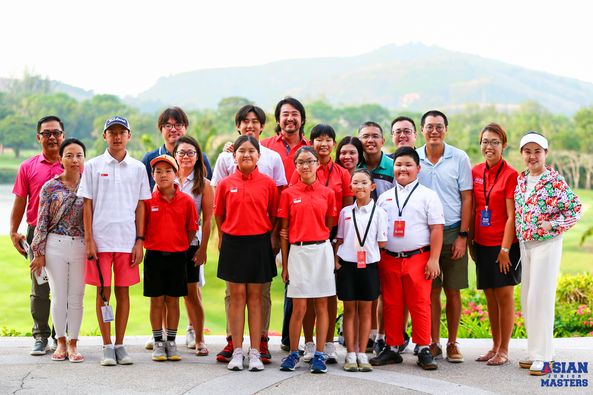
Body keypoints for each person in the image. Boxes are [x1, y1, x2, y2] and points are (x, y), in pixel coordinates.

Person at [212, 105, 286, 364]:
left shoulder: (267, 182)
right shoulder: (225, 183)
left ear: (259, 155)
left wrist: (273, 237)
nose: (246, 154)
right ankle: (237, 350)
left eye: (251, 151)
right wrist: (221, 236)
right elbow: (218, 213)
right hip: (233, 243)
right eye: (241, 150)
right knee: (236, 297)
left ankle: (256, 350)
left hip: (259, 242)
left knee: (256, 297)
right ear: (234, 155)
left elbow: (275, 212)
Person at [78, 116, 152, 366]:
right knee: (103, 293)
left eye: (122, 132)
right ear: (104, 136)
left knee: (123, 292)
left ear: (129, 136)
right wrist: (89, 240)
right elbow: (86, 205)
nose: (117, 136)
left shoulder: (138, 168)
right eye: (112, 132)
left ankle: (120, 344)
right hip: (100, 240)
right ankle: (107, 345)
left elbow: (141, 206)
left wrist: (140, 240)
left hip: (127, 240)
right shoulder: (93, 165)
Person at [514, 132, 581, 376]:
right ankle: (534, 353)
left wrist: (553, 225)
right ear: (522, 153)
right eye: (527, 151)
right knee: (528, 299)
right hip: (526, 245)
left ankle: (545, 357)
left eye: (537, 151)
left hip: (547, 244)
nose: (532, 156)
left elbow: (576, 209)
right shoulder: (522, 180)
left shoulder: (554, 181)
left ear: (545, 153)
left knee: (540, 299)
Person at [371, 147, 444, 371]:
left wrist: (434, 259)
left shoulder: (428, 196)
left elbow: (436, 229)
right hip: (390, 258)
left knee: (420, 303)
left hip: (418, 258)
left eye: (408, 165)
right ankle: (392, 347)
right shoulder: (384, 198)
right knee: (392, 303)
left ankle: (423, 347)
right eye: (399, 165)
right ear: (393, 168)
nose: (403, 169)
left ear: (418, 169)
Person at [289, 124, 354, 364]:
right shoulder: (303, 167)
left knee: (327, 295)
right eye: (319, 139)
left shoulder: (341, 173)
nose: (323, 143)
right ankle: (307, 343)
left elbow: (346, 210)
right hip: (307, 234)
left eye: (328, 139)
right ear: (312, 142)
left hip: (332, 236)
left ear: (333, 144)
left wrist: (337, 242)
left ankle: (326, 344)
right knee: (305, 295)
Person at [416, 110, 472, 363]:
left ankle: (452, 342)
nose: (434, 131)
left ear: (446, 129)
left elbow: (467, 198)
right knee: (430, 292)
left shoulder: (458, 157)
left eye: (439, 126)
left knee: (453, 290)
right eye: (430, 126)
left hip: (452, 231)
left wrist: (463, 235)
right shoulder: (414, 158)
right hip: (424, 234)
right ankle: (433, 342)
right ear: (422, 130)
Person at [278, 147, 337, 374]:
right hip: (298, 252)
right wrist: (284, 264)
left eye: (310, 161)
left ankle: (319, 355)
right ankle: (294, 353)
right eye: (301, 162)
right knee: (299, 306)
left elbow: (329, 224)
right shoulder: (288, 194)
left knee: (322, 305)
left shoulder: (327, 193)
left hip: (321, 251)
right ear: (296, 166)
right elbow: (284, 231)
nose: (306, 166)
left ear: (317, 164)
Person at [10, 115, 64, 355]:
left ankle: (60, 336)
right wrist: (13, 231)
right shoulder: (28, 166)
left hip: (67, 233)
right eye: (46, 133)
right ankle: (41, 336)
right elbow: (20, 201)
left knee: (65, 288)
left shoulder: (74, 164)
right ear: (38, 137)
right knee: (40, 287)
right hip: (36, 234)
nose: (52, 137)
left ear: (63, 136)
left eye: (56, 133)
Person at [30, 138, 86, 362]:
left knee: (77, 296)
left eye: (79, 155)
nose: (74, 160)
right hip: (55, 245)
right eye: (69, 155)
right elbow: (41, 222)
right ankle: (60, 341)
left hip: (81, 245)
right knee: (59, 296)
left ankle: (74, 342)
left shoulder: (89, 185)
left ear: (84, 158)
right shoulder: (50, 186)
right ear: (61, 159)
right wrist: (39, 252)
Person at [470, 123, 521, 366]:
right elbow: (474, 208)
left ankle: (504, 349)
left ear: (504, 145)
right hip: (481, 243)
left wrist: (505, 249)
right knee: (489, 296)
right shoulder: (476, 171)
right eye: (485, 142)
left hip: (503, 246)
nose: (489, 146)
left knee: (504, 296)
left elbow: (512, 215)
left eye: (495, 142)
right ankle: (494, 345)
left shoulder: (511, 175)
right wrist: (470, 240)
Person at [260, 97, 309, 351]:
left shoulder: (310, 149)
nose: (290, 118)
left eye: (295, 114)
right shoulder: (263, 147)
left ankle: (291, 340)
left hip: (300, 225)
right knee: (263, 284)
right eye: (285, 114)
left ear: (302, 118)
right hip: (267, 225)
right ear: (278, 119)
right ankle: (261, 339)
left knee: (296, 282)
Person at [144, 155, 198, 362]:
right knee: (157, 300)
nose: (163, 175)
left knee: (173, 300)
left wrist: (180, 245)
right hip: (154, 256)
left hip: (177, 256)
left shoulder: (186, 201)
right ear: (153, 175)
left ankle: (171, 341)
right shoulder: (148, 200)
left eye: (168, 171)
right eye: (158, 171)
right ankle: (159, 341)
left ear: (176, 174)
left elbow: (191, 229)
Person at [335, 169, 387, 372]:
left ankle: (363, 352)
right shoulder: (345, 213)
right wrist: (337, 260)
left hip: (369, 266)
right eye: (355, 183)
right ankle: (350, 353)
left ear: (372, 186)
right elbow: (340, 239)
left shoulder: (380, 213)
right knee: (349, 310)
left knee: (366, 311)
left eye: (364, 183)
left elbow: (382, 242)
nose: (360, 187)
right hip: (347, 266)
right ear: (351, 187)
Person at [377, 115, 419, 355]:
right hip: (389, 240)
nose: (402, 135)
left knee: (419, 296)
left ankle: (424, 342)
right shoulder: (387, 163)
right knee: (389, 295)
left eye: (407, 131)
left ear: (415, 134)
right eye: (398, 132)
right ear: (391, 137)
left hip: (418, 241)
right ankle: (388, 337)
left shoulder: (421, 162)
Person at [173, 136, 213, 356]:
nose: (186, 157)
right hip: (167, 244)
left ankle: (199, 338)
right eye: (182, 153)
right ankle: (165, 338)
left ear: (198, 157)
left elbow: (207, 219)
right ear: (175, 155)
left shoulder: (204, 184)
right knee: (167, 294)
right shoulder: (167, 179)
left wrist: (203, 248)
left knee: (192, 293)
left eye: (191, 153)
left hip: (192, 243)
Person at [141, 106, 212, 190]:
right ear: (161, 129)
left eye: (178, 125)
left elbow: (210, 190)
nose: (173, 129)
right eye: (168, 125)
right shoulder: (149, 158)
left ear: (186, 127)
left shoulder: (200, 157)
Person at [357, 121, 394, 199]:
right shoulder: (354, 167)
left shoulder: (394, 167)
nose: (370, 140)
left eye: (375, 136)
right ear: (358, 141)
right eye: (365, 136)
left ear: (382, 142)